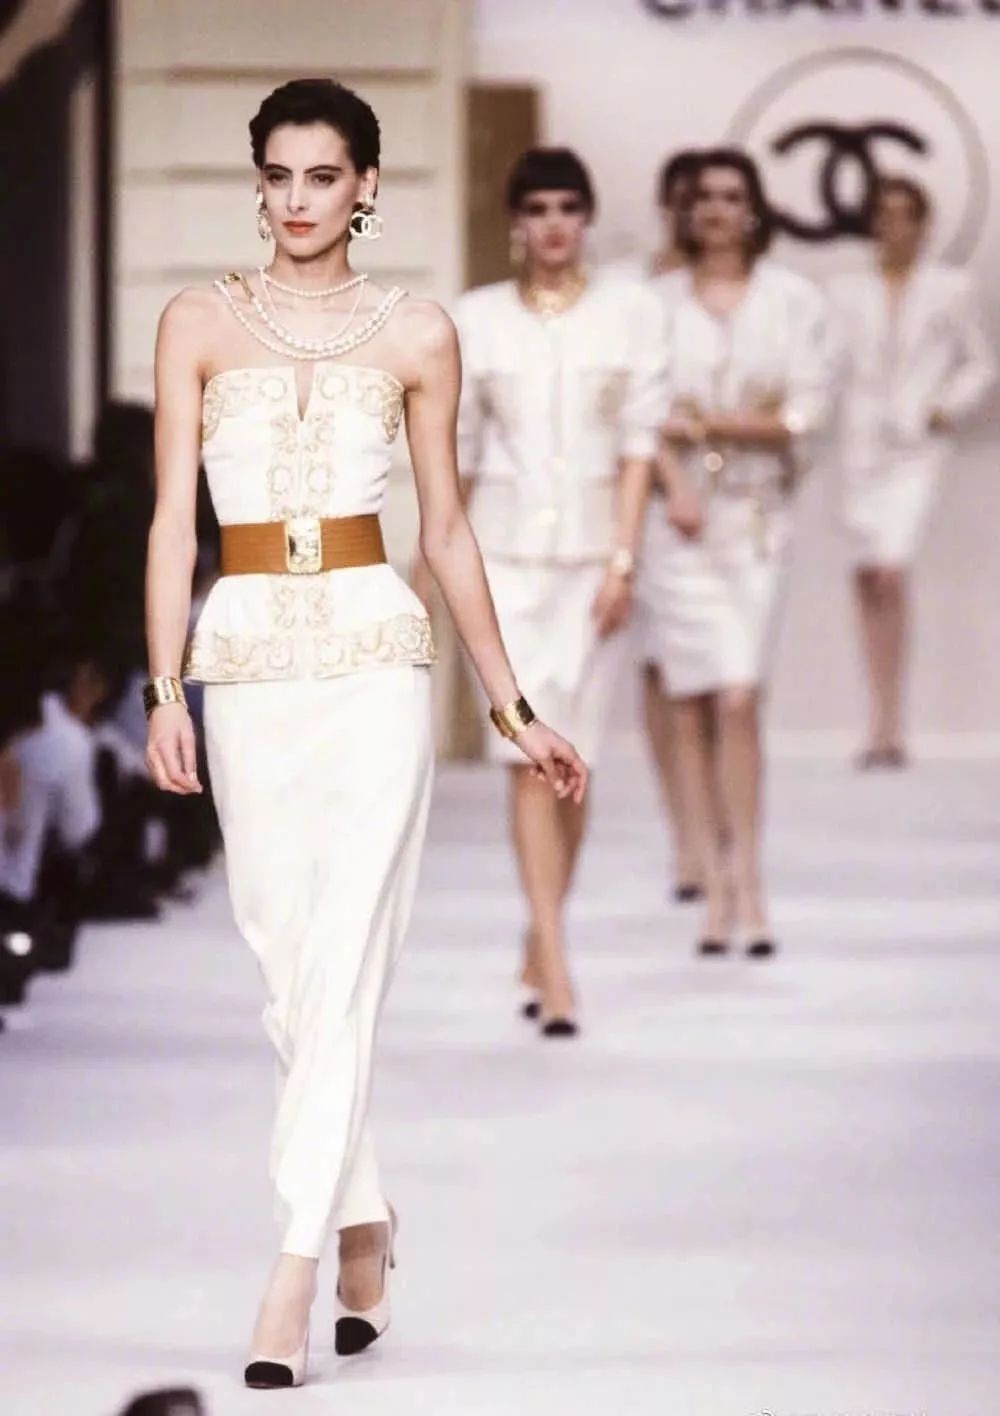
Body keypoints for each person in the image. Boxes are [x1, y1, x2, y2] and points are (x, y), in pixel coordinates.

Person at [143, 79, 586, 1390]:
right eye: (278, 175)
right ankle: (365, 1222)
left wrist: (511, 706)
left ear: (367, 186)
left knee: (342, 954)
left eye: (323, 176)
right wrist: (163, 689)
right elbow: (170, 523)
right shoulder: (196, 321)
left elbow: (444, 531)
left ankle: (289, 1274)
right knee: (288, 965)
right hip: (246, 657)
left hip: (375, 655)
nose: (296, 200)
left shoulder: (417, 333)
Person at [453, 147, 665, 1034]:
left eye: (567, 208)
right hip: (502, 565)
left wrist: (623, 562)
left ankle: (541, 937)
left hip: (591, 569)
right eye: (536, 208)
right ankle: (557, 962)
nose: (552, 224)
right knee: (526, 763)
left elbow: (641, 449)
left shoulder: (633, 314)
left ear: (586, 217)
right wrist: (435, 578)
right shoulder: (475, 320)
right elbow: (459, 456)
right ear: (515, 221)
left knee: (576, 762)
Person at [641, 148, 836, 958]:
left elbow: (807, 413)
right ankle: (714, 885)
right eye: (704, 197)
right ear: (685, 211)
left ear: (755, 208)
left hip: (758, 521)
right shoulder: (653, 304)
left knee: (739, 696)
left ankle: (750, 877)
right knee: (689, 698)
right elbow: (636, 414)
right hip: (677, 521)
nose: (718, 209)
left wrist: (703, 424)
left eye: (732, 195)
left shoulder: (794, 301)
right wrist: (673, 470)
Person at [829, 176, 997, 767]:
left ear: (924, 224)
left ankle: (892, 722)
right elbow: (830, 363)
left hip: (918, 452)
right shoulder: (845, 292)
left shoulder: (951, 288)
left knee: (890, 572)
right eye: (884, 213)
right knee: (866, 577)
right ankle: (878, 721)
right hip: (859, 452)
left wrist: (940, 408)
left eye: (905, 214)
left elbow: (981, 363)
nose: (894, 225)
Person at [626, 149, 708, 902]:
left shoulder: (738, 292)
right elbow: (631, 406)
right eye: (682, 198)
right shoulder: (636, 292)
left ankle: (716, 827)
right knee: (660, 669)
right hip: (650, 498)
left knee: (722, 678)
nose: (694, 211)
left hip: (726, 497)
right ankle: (684, 833)